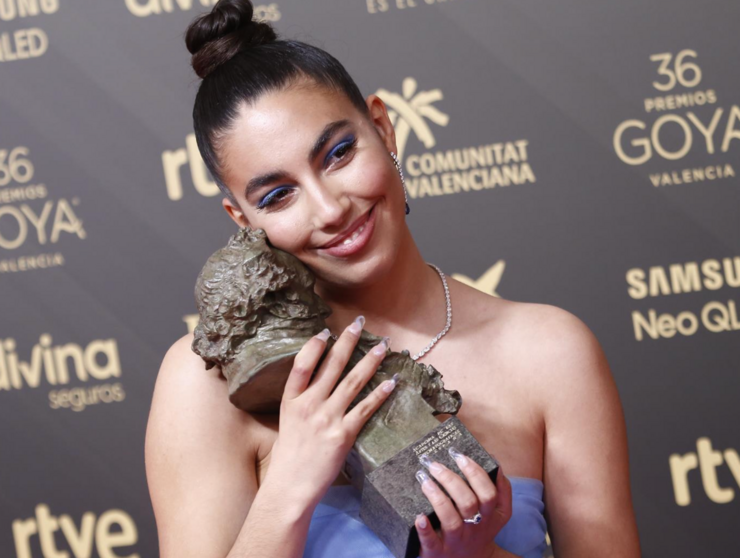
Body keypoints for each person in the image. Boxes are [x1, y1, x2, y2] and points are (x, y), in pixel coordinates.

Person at [144, 1, 642, 557]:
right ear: (244, 220)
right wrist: (288, 487)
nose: (329, 208)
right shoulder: (207, 385)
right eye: (278, 195)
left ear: (382, 127)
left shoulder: (550, 354)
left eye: (338, 153)